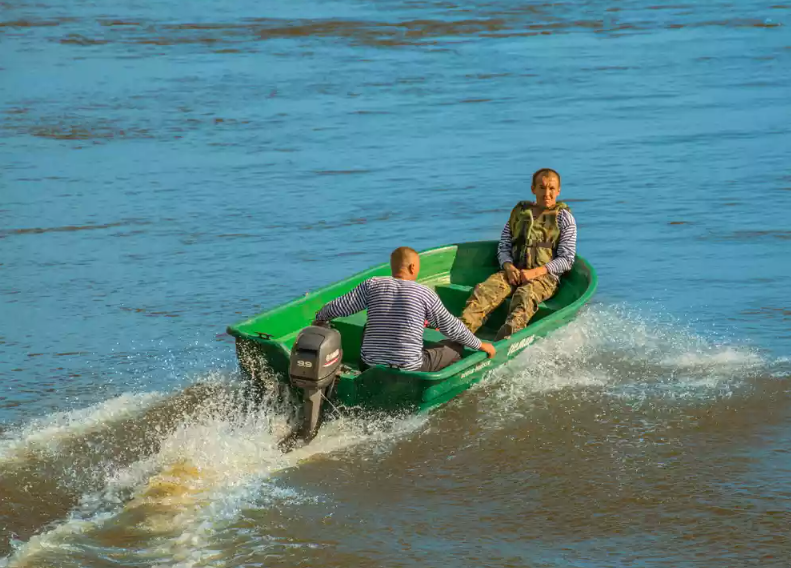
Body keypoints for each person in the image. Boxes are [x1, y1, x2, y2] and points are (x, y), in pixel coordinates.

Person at [314, 247, 496, 372]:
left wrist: (320, 318)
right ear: (413, 267)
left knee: (368, 328)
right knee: (456, 346)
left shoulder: (373, 284)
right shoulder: (424, 293)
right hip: (410, 368)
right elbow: (452, 327)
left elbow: (340, 306)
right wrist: (480, 344)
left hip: (370, 364)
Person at [460, 168, 577, 340]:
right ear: (533, 189)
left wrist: (534, 273)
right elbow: (504, 246)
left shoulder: (564, 218)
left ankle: (505, 341)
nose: (547, 193)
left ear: (558, 191)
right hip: (513, 271)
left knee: (525, 296)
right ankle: (460, 333)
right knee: (484, 291)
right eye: (542, 187)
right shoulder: (520, 214)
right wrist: (507, 266)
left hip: (544, 277)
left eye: (551, 189)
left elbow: (567, 259)